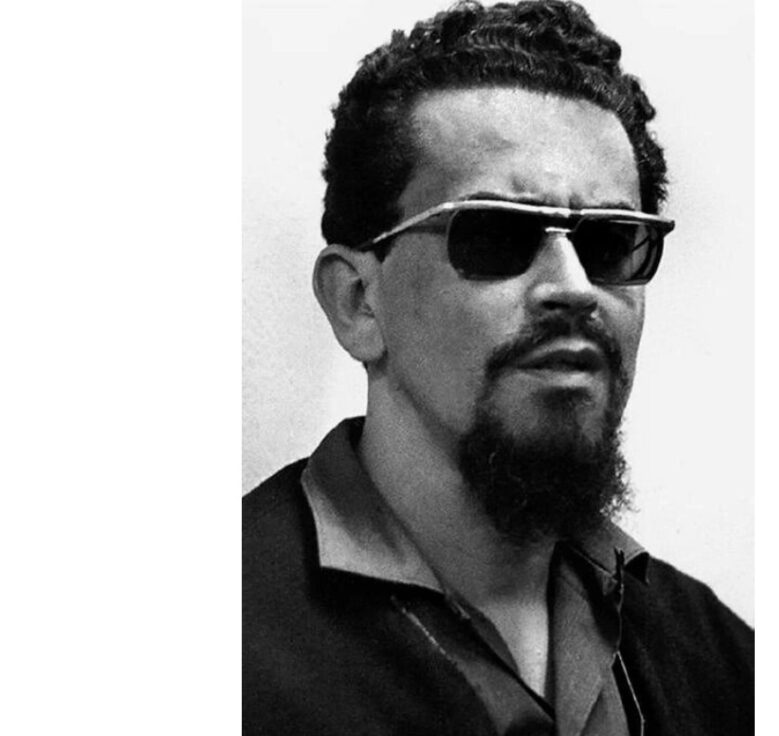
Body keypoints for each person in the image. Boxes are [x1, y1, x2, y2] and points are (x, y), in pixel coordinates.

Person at [243, 1, 753, 733]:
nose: (574, 288)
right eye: (496, 235)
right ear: (358, 302)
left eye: (610, 243)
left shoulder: (720, 661)